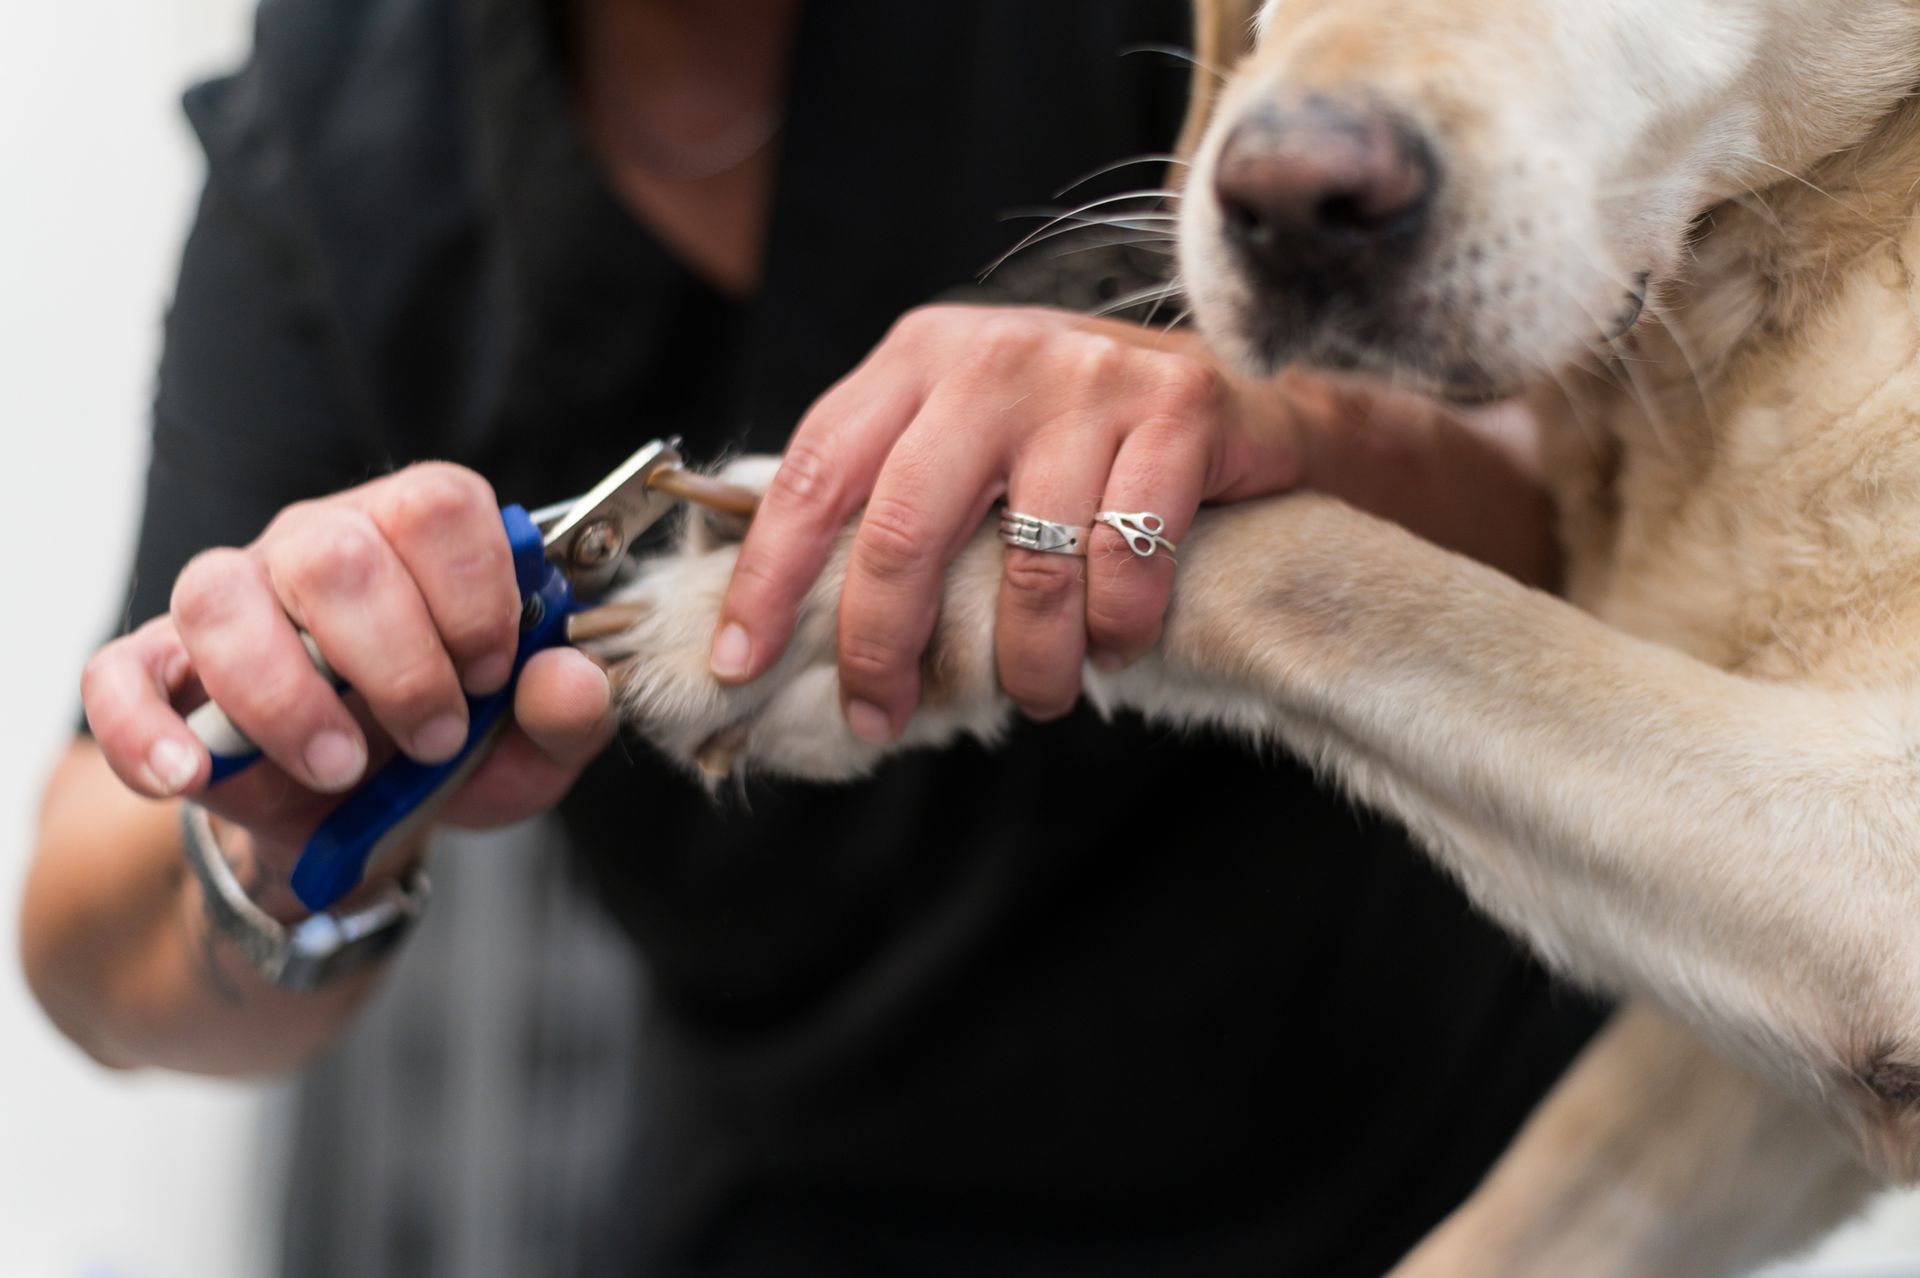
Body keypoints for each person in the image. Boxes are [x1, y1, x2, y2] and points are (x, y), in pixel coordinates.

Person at [23, 0, 1603, 1273]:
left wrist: (1277, 437)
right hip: (814, 1196)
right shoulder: (336, 141)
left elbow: (1582, 532)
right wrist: (267, 859)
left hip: (1455, 1169)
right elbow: (87, 947)